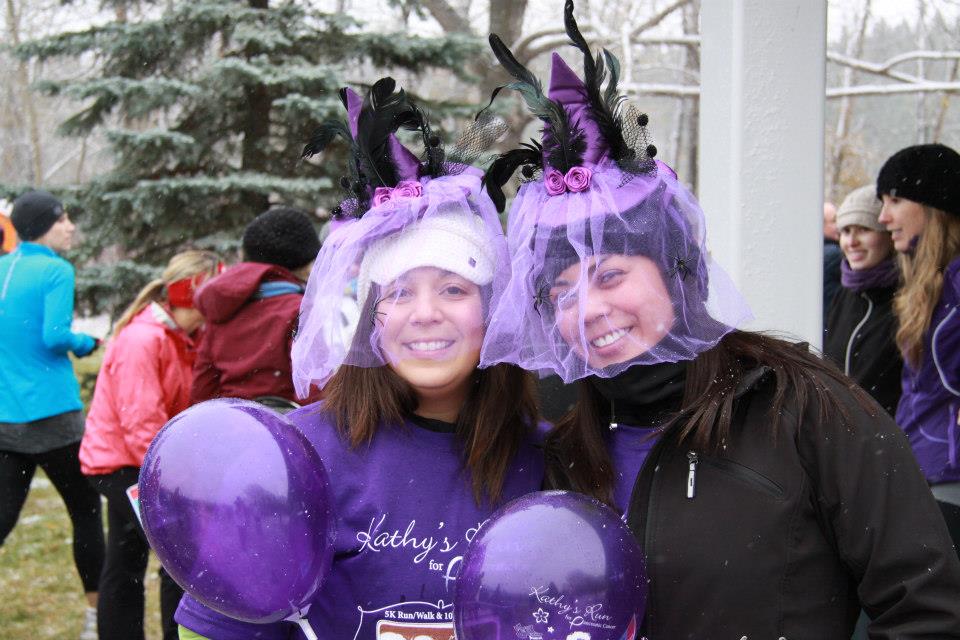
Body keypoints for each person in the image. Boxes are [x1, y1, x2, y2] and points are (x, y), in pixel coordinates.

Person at [478, 3, 960, 637]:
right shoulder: (563, 445)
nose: (588, 309)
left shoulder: (807, 409)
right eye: (561, 292)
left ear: (678, 275)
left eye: (612, 275)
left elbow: (929, 608)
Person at [175, 79, 545, 640]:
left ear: (492, 311)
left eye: (454, 289)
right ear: (373, 318)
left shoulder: (549, 457)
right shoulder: (296, 458)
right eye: (398, 292)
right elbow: (220, 627)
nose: (424, 313)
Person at [79, 249, 223, 640]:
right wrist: (174, 479)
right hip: (126, 465)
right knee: (180, 557)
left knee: (124, 557)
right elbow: (140, 422)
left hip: (149, 461)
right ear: (193, 291)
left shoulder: (188, 337)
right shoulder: (144, 339)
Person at [0, 189, 104, 640]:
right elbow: (54, 335)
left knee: (3, 517)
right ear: (45, 224)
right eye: (63, 219)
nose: (71, 227)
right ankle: (95, 615)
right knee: (84, 512)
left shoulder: (4, 267)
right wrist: (90, 343)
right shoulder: (56, 270)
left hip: (7, 417)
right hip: (55, 415)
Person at [877, 142, 960, 552]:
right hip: (922, 473)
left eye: (895, 200)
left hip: (949, 481)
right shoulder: (930, 286)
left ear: (934, 204)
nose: (883, 217)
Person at [191, 207, 320, 409]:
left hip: (229, 426)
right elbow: (313, 390)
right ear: (303, 264)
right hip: (283, 431)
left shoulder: (223, 308)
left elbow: (203, 390)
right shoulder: (298, 310)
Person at [824, 185, 902, 415]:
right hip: (846, 439)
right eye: (846, 231)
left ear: (889, 235)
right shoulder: (845, 294)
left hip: (892, 442)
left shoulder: (909, 300)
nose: (852, 241)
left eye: (864, 229)